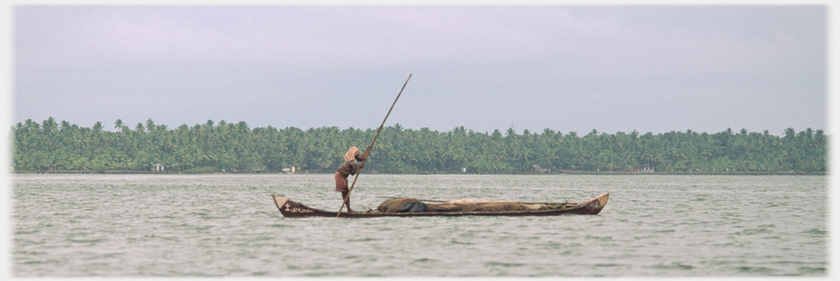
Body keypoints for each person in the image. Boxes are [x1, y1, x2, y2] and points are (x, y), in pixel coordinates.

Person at [335, 146, 365, 212]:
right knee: (345, 192)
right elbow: (353, 173)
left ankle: (348, 209)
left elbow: (360, 158)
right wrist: (359, 167)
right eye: (357, 153)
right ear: (355, 153)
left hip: (341, 175)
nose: (358, 154)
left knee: (346, 192)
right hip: (340, 176)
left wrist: (366, 152)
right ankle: (349, 209)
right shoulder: (353, 162)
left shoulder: (352, 160)